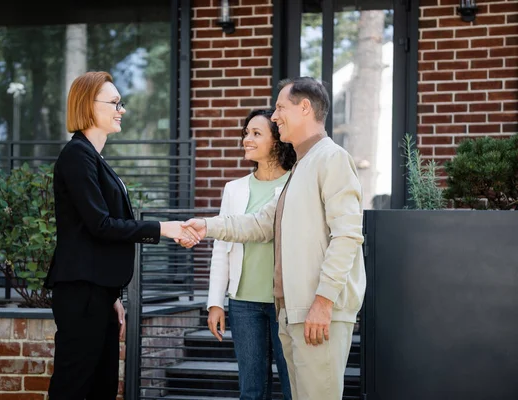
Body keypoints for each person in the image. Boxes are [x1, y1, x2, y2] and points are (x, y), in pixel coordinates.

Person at [184, 77, 366, 400]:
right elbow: (259, 223)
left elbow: (347, 236)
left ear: (305, 108)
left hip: (316, 315)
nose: (276, 116)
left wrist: (323, 302)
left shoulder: (331, 159)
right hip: (295, 315)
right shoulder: (301, 167)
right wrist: (206, 226)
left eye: (281, 107)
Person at [44, 71, 198, 400]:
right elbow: (101, 225)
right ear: (88, 105)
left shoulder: (92, 158)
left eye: (121, 102)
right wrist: (163, 228)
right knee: (73, 389)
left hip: (96, 293)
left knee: (101, 388)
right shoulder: (76, 156)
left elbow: (94, 233)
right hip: (81, 295)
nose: (122, 109)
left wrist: (111, 294)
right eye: (114, 102)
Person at [207, 109, 295, 400]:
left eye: (256, 133)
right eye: (246, 133)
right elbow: (222, 246)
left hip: (288, 304)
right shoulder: (233, 189)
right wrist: (215, 303)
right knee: (252, 391)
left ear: (277, 140)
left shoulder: (296, 184)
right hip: (244, 303)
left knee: (294, 387)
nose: (247, 139)